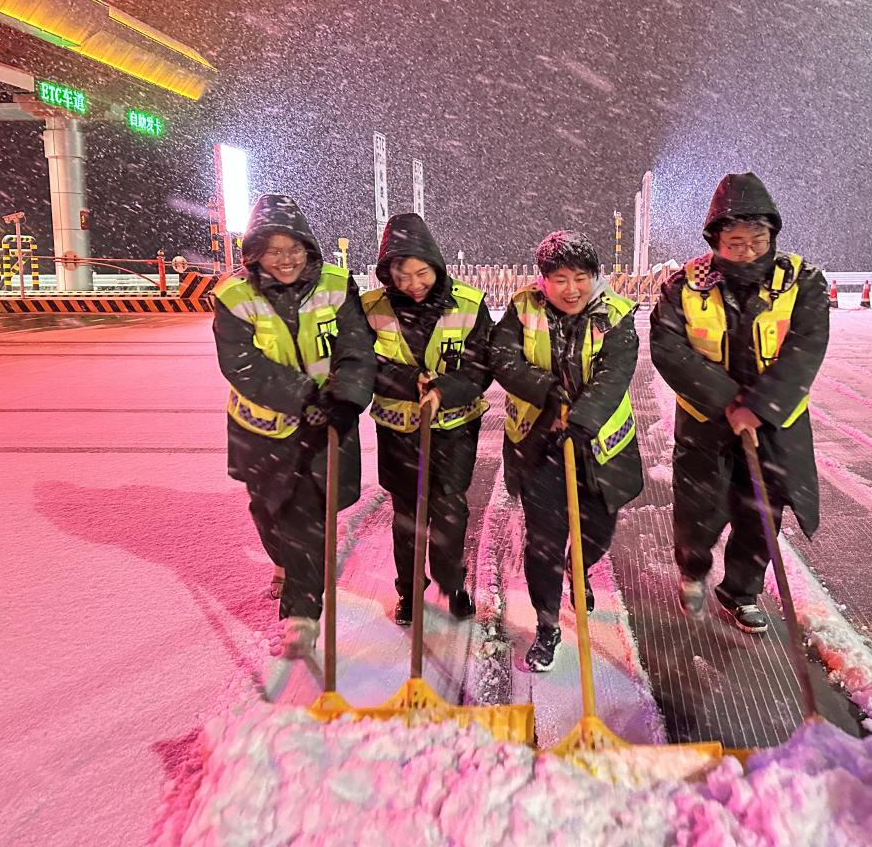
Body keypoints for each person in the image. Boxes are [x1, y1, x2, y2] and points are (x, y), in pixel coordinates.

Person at [651, 172, 829, 632]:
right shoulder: (682, 287)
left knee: (760, 519)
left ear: (772, 234)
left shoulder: (802, 282)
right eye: (734, 241)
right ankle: (693, 571)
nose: (747, 250)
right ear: (715, 240)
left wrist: (759, 407)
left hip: (775, 426)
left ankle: (741, 591)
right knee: (699, 511)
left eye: (757, 239)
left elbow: (805, 349)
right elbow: (670, 350)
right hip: (706, 423)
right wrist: (730, 402)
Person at [212, 194, 375, 659]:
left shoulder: (336, 286)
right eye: (273, 251)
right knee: (267, 510)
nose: (285, 260)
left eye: (293, 250)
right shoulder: (234, 296)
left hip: (323, 427)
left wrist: (344, 400)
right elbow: (241, 363)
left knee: (306, 517)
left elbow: (356, 351)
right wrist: (305, 395)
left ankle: (301, 614)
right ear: (255, 253)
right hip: (262, 427)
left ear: (308, 248)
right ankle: (284, 562)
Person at [491, 231, 643, 671]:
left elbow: (616, 374)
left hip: (598, 447)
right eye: (559, 278)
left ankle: (581, 567)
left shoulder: (615, 314)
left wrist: (581, 419)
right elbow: (503, 357)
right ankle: (546, 624)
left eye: (580, 277)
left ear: (595, 277)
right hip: (539, 446)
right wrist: (545, 390)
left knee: (596, 530)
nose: (571, 289)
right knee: (544, 541)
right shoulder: (524, 308)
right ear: (543, 281)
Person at [361, 213, 493, 626]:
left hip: (455, 429)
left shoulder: (469, 304)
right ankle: (408, 590)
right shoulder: (369, 308)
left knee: (450, 510)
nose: (414, 284)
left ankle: (452, 582)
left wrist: (443, 390)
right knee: (407, 516)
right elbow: (363, 364)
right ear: (388, 274)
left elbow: (481, 368)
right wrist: (409, 381)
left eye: (422, 273)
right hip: (399, 431)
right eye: (402, 275)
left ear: (436, 266)